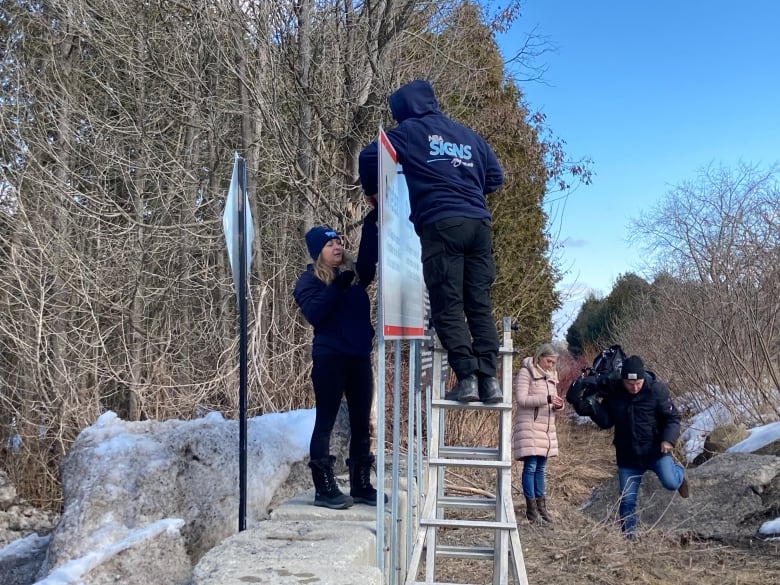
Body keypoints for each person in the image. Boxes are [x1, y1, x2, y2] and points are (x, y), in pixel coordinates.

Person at [358, 79, 504, 404]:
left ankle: (467, 378)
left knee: (447, 303)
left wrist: (374, 193)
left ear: (404, 110)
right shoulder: (469, 136)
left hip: (441, 223)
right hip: (479, 225)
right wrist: (468, 189)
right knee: (478, 303)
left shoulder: (411, 132)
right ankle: (490, 381)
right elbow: (495, 176)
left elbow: (370, 156)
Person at [292, 206, 382, 509]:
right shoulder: (309, 282)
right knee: (326, 422)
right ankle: (324, 487)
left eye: (339, 241)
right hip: (330, 359)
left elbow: (369, 257)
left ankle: (360, 484)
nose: (337, 246)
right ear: (319, 252)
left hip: (358, 358)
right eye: (330, 244)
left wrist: (373, 220)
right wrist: (335, 286)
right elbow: (315, 314)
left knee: (360, 423)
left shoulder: (354, 277)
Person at [579, 355, 690, 539]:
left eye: (638, 382)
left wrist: (668, 440)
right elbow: (606, 421)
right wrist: (592, 409)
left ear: (642, 378)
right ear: (622, 380)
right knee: (627, 501)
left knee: (670, 482)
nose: (634, 387)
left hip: (655, 451)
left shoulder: (656, 390)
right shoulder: (614, 392)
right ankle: (629, 539)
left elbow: (672, 418)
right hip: (628, 456)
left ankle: (678, 471)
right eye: (630, 384)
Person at [512, 343, 564, 523]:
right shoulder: (526, 373)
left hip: (546, 428)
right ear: (539, 357)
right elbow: (521, 399)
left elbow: (552, 400)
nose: (550, 365)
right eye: (549, 361)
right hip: (529, 427)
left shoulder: (552, 376)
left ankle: (542, 508)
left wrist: (558, 405)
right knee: (531, 467)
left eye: (553, 362)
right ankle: (531, 510)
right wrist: (546, 399)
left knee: (541, 468)